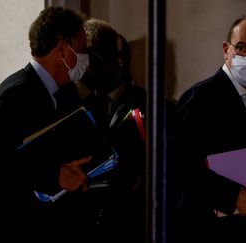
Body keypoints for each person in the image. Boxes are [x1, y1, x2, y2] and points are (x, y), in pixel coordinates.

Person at [0, 6, 111, 243]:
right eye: (82, 49)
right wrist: (55, 174)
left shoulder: (66, 93)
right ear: (63, 48)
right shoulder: (13, 95)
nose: (86, 59)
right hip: (7, 229)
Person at [168, 16, 246, 242]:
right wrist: (233, 196)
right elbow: (175, 165)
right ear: (226, 49)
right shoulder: (201, 97)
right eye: (241, 48)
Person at [78, 18, 147, 243]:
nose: (85, 68)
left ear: (118, 61)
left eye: (91, 59)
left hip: (134, 226)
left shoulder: (153, 108)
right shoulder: (79, 107)